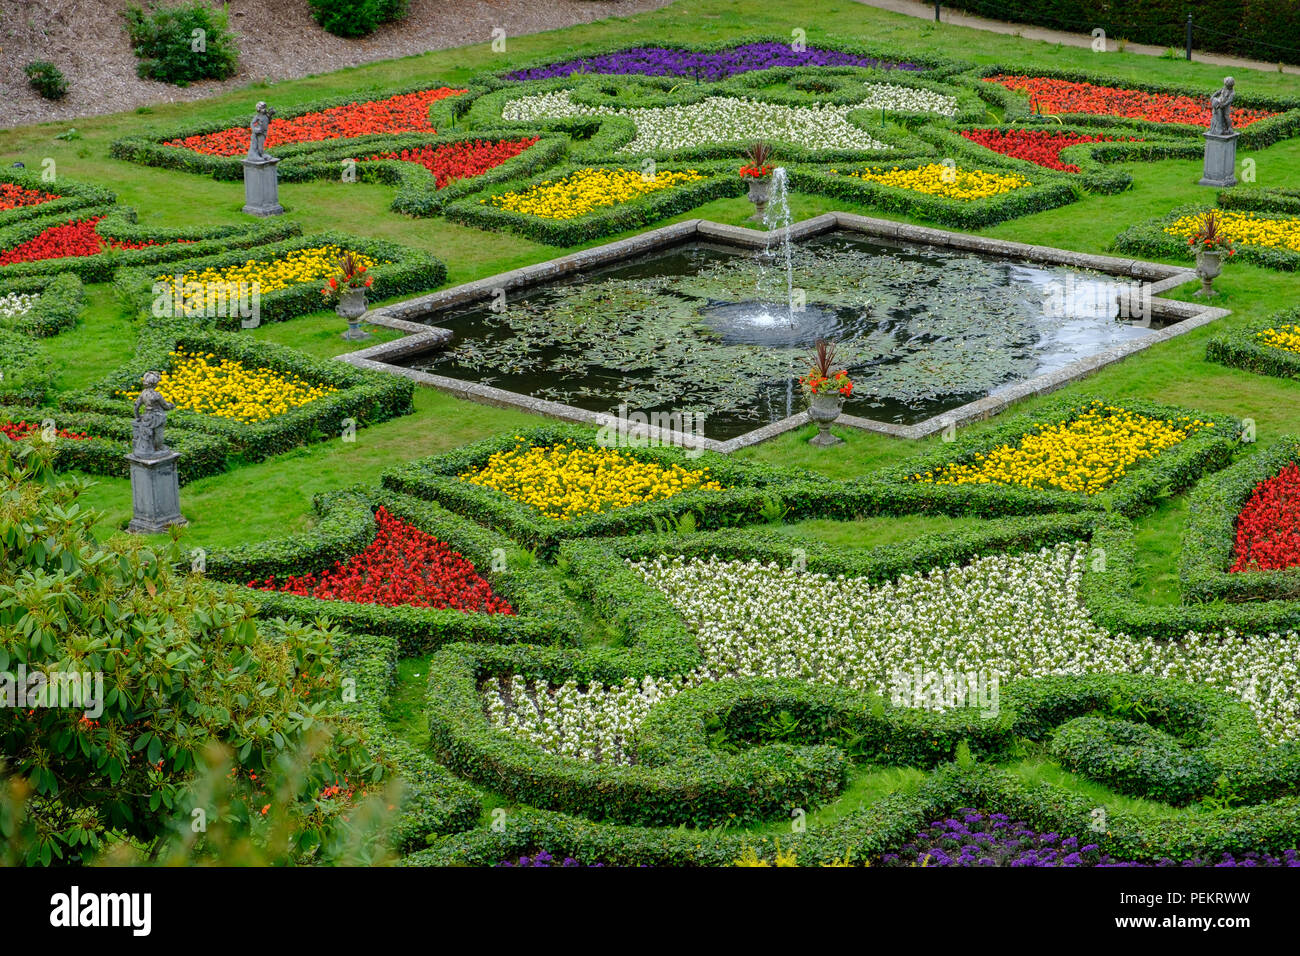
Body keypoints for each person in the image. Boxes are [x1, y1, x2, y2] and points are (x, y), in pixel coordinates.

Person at [133, 370, 175, 456]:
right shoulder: (157, 395)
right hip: (157, 417)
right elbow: (165, 406)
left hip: (147, 417)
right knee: (158, 433)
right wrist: (171, 405)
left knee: (148, 433)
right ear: (155, 383)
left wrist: (137, 417)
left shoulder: (143, 394)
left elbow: (136, 406)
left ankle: (151, 448)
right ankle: (159, 448)